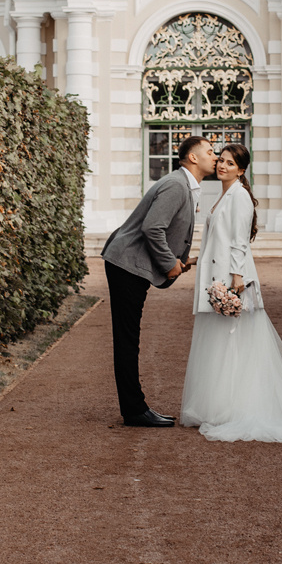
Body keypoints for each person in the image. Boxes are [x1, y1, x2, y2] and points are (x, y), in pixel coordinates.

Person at [180, 143, 282, 443]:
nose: (222, 166)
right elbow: (218, 237)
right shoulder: (224, 194)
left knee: (234, 343)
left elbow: (239, 241)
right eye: (220, 161)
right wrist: (198, 259)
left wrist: (236, 279)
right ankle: (218, 405)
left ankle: (236, 407)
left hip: (231, 278)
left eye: (229, 163)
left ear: (241, 170)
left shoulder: (240, 197)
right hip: (216, 275)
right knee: (219, 344)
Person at [102, 134, 218, 426]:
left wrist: (178, 261)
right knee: (128, 339)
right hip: (127, 264)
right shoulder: (177, 186)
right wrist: (169, 265)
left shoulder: (185, 186)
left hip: (130, 264)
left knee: (128, 338)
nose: (215, 157)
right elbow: (153, 227)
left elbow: (163, 230)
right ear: (193, 157)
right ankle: (134, 410)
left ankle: (134, 408)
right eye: (210, 151)